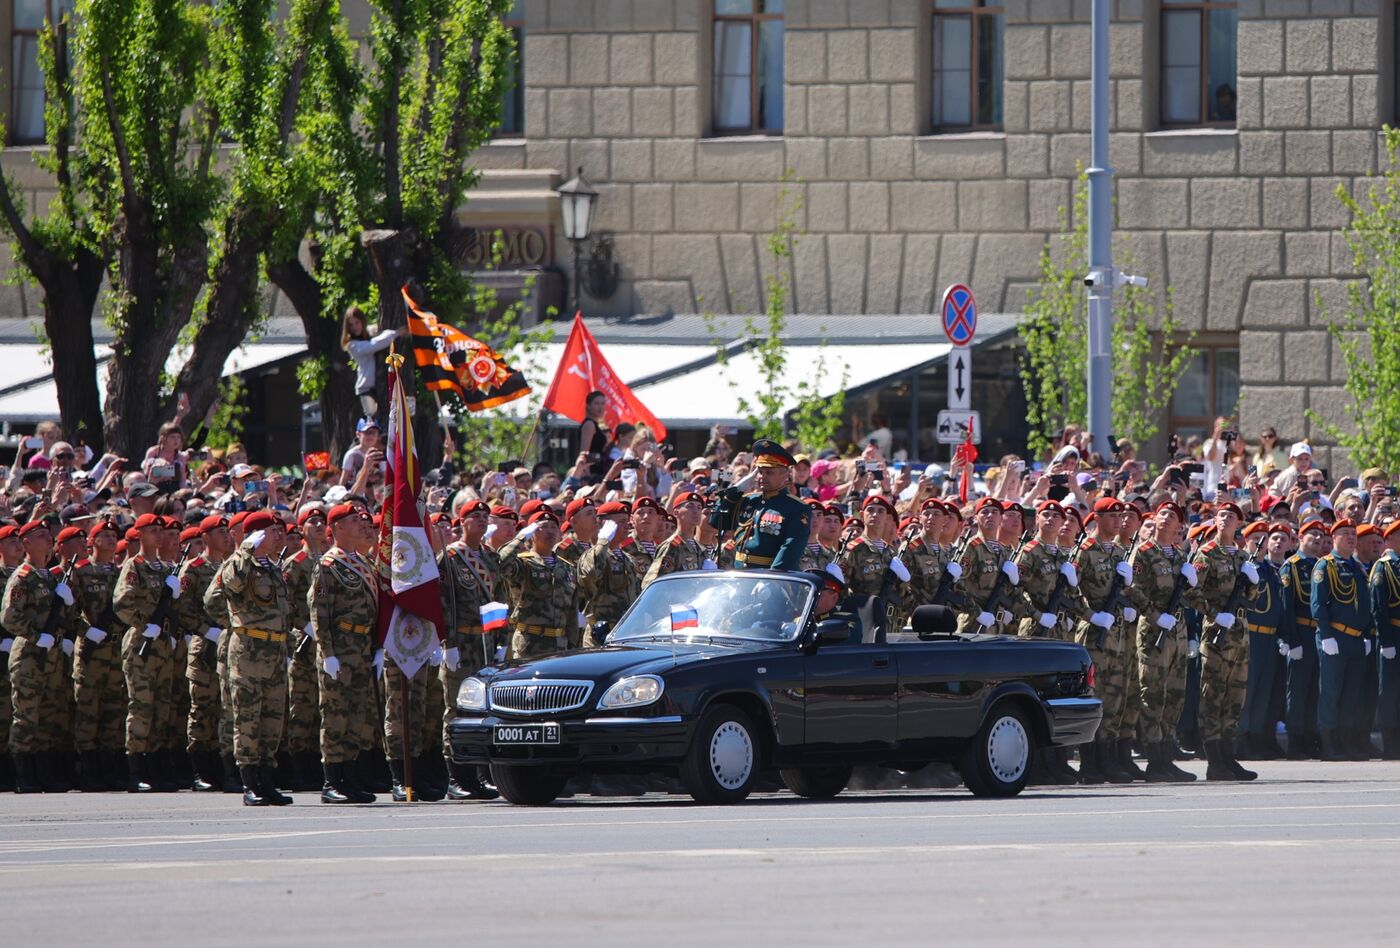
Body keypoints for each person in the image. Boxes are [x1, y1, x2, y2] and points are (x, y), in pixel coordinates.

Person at [219, 510, 293, 806]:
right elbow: (229, 585)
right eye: (273, 532)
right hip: (250, 652)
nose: (280, 536)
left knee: (272, 722)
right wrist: (245, 549)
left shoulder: (274, 567)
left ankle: (266, 781)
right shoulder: (239, 564)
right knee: (248, 720)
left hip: (275, 652)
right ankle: (249, 784)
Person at [310, 504, 380, 804]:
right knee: (335, 715)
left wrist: (376, 648)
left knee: (356, 716)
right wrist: (328, 653)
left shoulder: (363, 562)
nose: (359, 525)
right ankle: (332, 780)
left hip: (362, 649)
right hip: (340, 647)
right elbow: (319, 613)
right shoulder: (329, 565)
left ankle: (349, 778)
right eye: (353, 521)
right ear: (337, 527)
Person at [2, 519, 78, 793]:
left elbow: (63, 616)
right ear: (26, 544)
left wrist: (68, 606)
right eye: (41, 535)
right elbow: (10, 616)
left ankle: (44, 771)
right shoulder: (23, 576)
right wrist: (36, 635)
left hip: (53, 654)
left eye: (49, 535)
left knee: (49, 714)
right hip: (31, 654)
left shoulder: (51, 576)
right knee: (27, 715)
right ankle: (24, 774)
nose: (48, 539)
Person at [1189, 503, 1260, 781]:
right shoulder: (1206, 553)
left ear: (1238, 524)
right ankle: (1214, 761)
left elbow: (1253, 600)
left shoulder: (1243, 557)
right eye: (1221, 515)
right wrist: (1214, 615)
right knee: (1212, 695)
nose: (1225, 519)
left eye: (1231, 516)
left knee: (1235, 695)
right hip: (1217, 631)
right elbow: (1192, 591)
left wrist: (1254, 582)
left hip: (1240, 632)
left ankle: (1229, 757)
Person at [436, 499, 502, 800]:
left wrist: (501, 641)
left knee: (483, 710)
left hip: (485, 643)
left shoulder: (490, 557)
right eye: (474, 516)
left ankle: (478, 774)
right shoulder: (449, 558)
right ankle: (456, 776)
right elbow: (442, 603)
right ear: (461, 522)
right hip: (460, 642)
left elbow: (500, 601)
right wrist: (447, 643)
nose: (481, 521)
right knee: (456, 709)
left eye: (484, 517)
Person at [113, 513, 183, 793]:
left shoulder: (166, 569)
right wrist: (145, 625)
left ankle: (156, 767)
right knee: (141, 707)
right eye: (152, 530)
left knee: (162, 708)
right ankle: (136, 770)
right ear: (139, 535)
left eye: (160, 530)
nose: (159, 535)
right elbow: (122, 603)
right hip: (142, 643)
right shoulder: (136, 565)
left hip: (163, 645)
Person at [1128, 501, 1197, 782]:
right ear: (1155, 519)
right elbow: (1132, 588)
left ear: (1180, 527)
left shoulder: (1181, 557)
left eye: (1173, 516)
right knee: (1153, 693)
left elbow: (1191, 598)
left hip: (1177, 630)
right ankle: (1154, 761)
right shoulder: (1143, 553)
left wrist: (1194, 584)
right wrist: (1155, 615)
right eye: (1163, 514)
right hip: (1154, 630)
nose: (1167, 519)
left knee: (1175, 695)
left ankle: (1167, 757)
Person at [1070, 499, 1136, 784]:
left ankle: (1107, 760)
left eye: (1120, 516)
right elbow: (1069, 591)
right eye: (1112, 516)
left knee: (1114, 698)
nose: (1118, 521)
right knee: (1093, 697)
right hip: (1094, 634)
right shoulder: (1083, 551)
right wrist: (1090, 615)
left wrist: (1130, 600)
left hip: (1117, 635)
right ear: (1097, 517)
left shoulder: (1121, 552)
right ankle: (1089, 764)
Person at [71, 520, 129, 792]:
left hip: (117, 650)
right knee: (88, 710)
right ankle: (88, 770)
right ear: (91, 542)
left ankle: (110, 768)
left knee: (114, 711)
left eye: (112, 535)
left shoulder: (121, 573)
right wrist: (86, 630)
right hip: (92, 650)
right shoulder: (81, 572)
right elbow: (67, 611)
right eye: (103, 535)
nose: (109, 539)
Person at [1311, 519, 1374, 761]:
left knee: (1351, 694)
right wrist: (1326, 635)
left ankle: (1346, 741)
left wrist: (1366, 635)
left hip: (1356, 640)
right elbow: (1318, 603)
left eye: (1353, 534)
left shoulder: (1357, 567)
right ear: (1334, 537)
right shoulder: (1325, 566)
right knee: (1331, 692)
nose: (1351, 538)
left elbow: (1365, 605)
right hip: (1335, 636)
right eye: (1345, 533)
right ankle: (1328, 743)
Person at [709, 440, 811, 572]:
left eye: (769, 472)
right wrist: (736, 489)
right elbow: (716, 522)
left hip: (769, 576)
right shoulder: (747, 500)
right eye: (760, 472)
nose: (762, 477)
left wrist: (773, 579)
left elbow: (790, 550)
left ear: (785, 474)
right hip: (739, 574)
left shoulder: (797, 508)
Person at [1238, 522, 1289, 760]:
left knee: (1263, 692)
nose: (1259, 542)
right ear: (1246, 541)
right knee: (1247, 691)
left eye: (1263, 537)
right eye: (1254, 537)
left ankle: (1257, 737)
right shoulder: (1242, 567)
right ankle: (1242, 738)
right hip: (1250, 635)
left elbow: (1279, 605)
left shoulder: (1270, 570)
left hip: (1269, 637)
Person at [1371, 520, 1400, 759]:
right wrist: (1387, 641)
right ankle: (1390, 742)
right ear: (1389, 539)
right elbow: (1379, 608)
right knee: (1389, 691)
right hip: (1393, 634)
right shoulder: (1384, 567)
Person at [342, 305, 400, 418]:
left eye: (357, 322)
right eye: (351, 325)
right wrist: (396, 333)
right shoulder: (352, 345)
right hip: (366, 388)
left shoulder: (368, 333)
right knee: (373, 420)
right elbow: (372, 345)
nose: (355, 327)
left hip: (380, 384)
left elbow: (375, 331)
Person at [577, 391, 611, 481]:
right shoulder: (589, 424)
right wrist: (587, 477)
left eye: (603, 403)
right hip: (592, 472)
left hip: (600, 469)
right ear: (588, 405)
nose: (600, 407)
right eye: (596, 403)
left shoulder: (597, 425)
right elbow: (584, 453)